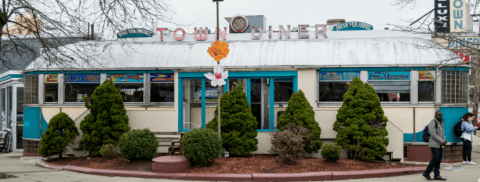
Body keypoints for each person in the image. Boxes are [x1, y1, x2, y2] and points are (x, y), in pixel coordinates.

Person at [423, 111, 447, 181]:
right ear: (435, 115)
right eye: (439, 115)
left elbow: (443, 133)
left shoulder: (441, 123)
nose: (440, 116)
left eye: (441, 115)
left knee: (439, 159)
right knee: (435, 159)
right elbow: (433, 134)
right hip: (434, 144)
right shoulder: (433, 122)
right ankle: (426, 173)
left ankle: (437, 175)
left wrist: (445, 140)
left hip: (440, 144)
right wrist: (442, 141)